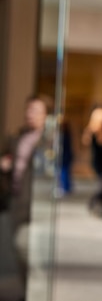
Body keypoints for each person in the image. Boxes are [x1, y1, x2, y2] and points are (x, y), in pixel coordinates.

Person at [0, 95, 52, 299]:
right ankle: (24, 291)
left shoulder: (48, 142)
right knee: (16, 250)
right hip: (15, 200)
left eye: (37, 111)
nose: (31, 115)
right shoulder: (18, 137)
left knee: (26, 250)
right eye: (29, 110)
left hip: (35, 204)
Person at [82, 107, 102, 218]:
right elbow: (99, 149)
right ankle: (92, 204)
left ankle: (100, 209)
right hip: (99, 163)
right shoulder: (93, 133)